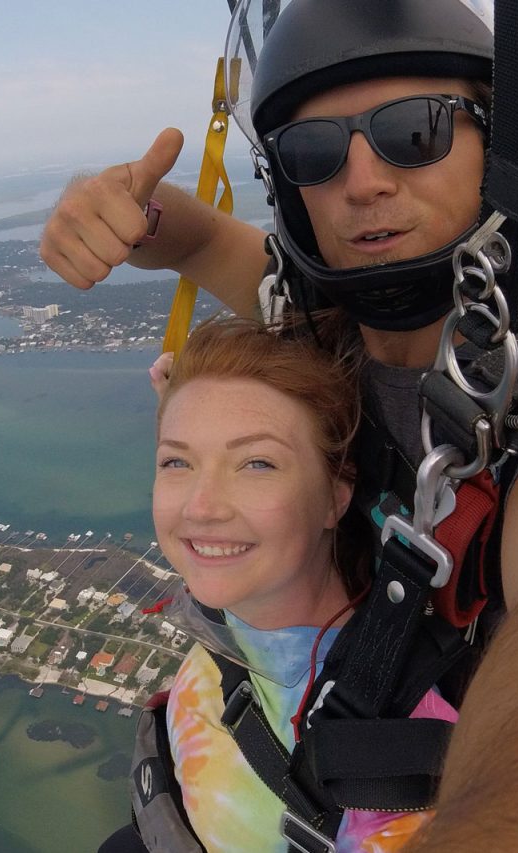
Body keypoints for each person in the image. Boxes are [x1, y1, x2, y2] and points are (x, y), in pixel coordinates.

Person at [41, 1, 518, 850]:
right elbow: (204, 238)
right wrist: (129, 214)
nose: (361, 181)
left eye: (415, 131)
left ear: (498, 149)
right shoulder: (315, 329)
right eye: (314, 153)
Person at [119, 316, 455, 852]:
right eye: (177, 461)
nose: (201, 507)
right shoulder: (231, 628)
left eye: (257, 463)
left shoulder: (399, 764)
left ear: (337, 495)